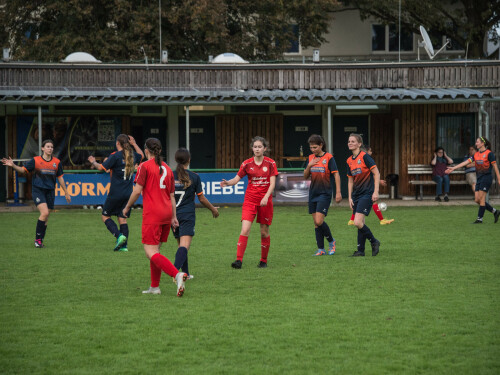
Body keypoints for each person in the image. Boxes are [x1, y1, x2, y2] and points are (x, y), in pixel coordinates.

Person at [122, 138, 188, 297]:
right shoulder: (167, 168)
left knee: (150, 251)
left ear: (146, 151)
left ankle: (176, 274)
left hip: (153, 213)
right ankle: (154, 287)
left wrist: (127, 207)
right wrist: (173, 216)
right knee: (156, 251)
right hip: (166, 213)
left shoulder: (144, 166)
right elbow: (172, 196)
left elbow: (137, 191)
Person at [220, 136, 278, 269]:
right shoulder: (246, 164)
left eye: (259, 147)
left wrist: (265, 197)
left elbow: (273, 183)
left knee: (264, 232)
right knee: (245, 229)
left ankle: (263, 260)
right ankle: (238, 261)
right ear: (252, 148)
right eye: (255, 147)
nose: (257, 149)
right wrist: (228, 183)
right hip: (250, 200)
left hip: (265, 202)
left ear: (265, 149)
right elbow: (236, 179)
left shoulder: (271, 163)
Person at [2, 139, 71, 247]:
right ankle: (37, 241)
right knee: (45, 213)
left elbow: (60, 178)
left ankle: (40, 240)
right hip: (38, 190)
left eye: (52, 147)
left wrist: (66, 193)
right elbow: (23, 170)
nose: (50, 149)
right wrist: (13, 165)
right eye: (48, 146)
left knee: (46, 217)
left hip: (50, 191)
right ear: (42, 148)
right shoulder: (35, 160)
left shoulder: (57, 162)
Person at [88, 134, 144, 252]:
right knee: (122, 219)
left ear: (118, 143)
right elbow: (142, 156)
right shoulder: (132, 155)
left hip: (115, 193)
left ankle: (119, 236)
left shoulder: (115, 156)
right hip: (129, 193)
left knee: (105, 216)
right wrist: (134, 144)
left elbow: (101, 168)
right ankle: (124, 247)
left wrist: (93, 162)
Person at [172, 148, 219, 278]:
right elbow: (201, 198)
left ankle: (186, 273)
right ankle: (174, 272)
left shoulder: (170, 175)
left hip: (173, 215)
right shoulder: (194, 176)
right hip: (187, 215)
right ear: (189, 160)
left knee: (181, 246)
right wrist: (213, 209)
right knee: (184, 246)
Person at [446, 136, 500, 224]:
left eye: (477, 142)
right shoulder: (476, 154)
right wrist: (453, 168)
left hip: (486, 178)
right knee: (477, 200)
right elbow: (466, 162)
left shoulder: (489, 154)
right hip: (479, 178)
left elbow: (495, 167)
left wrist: (499, 179)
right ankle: (495, 211)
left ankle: (479, 219)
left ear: (483, 143)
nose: (476, 144)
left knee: (482, 199)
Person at [303, 134, 342, 256]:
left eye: (315, 147)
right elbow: (305, 176)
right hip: (313, 193)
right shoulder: (310, 158)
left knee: (319, 221)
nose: (313, 150)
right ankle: (321, 249)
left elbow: (336, 175)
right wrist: (309, 165)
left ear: (321, 145)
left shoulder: (329, 158)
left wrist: (338, 192)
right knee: (316, 223)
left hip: (324, 193)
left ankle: (331, 241)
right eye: (311, 147)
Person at [346, 133, 381, 257]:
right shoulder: (349, 160)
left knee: (357, 222)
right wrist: (350, 197)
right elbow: (350, 180)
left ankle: (374, 241)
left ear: (359, 144)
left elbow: (377, 173)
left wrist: (375, 191)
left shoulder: (365, 157)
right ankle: (360, 251)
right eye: (349, 141)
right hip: (356, 195)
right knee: (360, 222)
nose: (350, 143)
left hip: (366, 194)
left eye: (353, 141)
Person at [348, 145, 394, 226]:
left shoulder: (364, 159)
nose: (371, 152)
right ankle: (381, 220)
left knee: (361, 204)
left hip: (364, 187)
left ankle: (352, 220)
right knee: (372, 202)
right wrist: (378, 183)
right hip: (365, 188)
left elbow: (371, 175)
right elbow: (369, 174)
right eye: (370, 151)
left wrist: (378, 181)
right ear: (366, 151)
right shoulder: (365, 159)